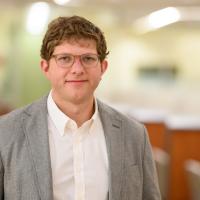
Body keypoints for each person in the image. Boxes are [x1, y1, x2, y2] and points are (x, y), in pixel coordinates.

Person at [0, 16, 161, 200]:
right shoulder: (5, 133)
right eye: (65, 58)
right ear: (45, 67)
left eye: (88, 58)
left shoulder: (134, 135)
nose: (77, 69)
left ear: (103, 67)